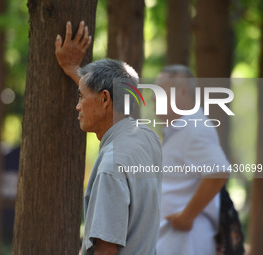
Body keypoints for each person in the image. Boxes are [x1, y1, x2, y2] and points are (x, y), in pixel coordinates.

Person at [56, 21, 162, 255]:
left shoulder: (111, 166)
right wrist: (75, 69)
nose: (77, 106)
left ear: (105, 100)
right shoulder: (148, 139)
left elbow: (106, 249)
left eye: (81, 97)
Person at [154, 66, 230, 255]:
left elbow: (219, 171)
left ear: (182, 91)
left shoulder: (195, 128)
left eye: (160, 92)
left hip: (187, 244)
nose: (154, 98)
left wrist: (187, 216)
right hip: (174, 243)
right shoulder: (179, 130)